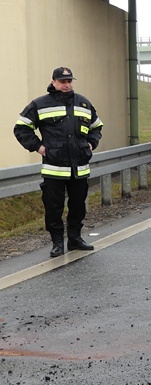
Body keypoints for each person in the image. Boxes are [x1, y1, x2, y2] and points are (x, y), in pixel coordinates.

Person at [14, 67, 103, 257]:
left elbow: (96, 127)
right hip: (54, 168)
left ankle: (75, 239)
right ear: (53, 82)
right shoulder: (40, 104)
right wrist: (38, 147)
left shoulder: (83, 103)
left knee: (78, 206)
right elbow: (21, 128)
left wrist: (91, 144)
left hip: (79, 167)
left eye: (69, 81)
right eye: (63, 82)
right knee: (53, 208)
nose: (67, 85)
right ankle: (57, 243)